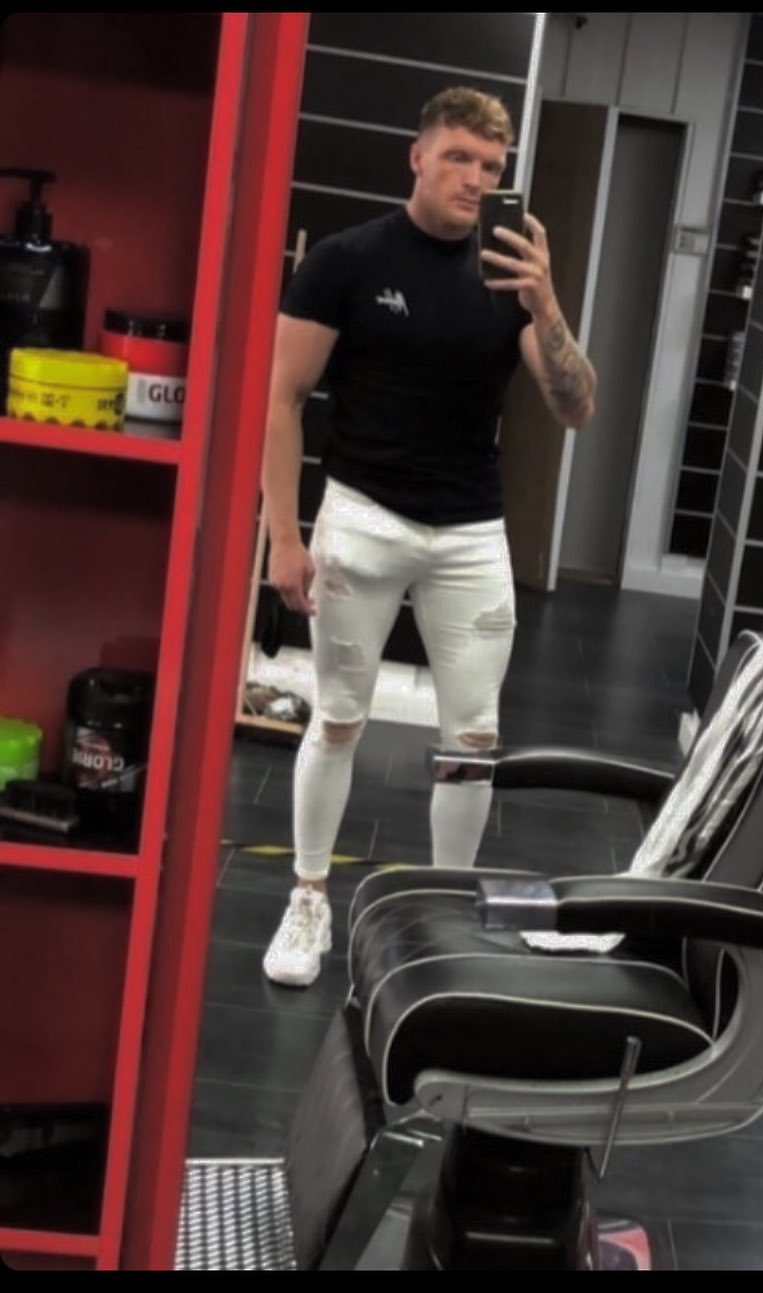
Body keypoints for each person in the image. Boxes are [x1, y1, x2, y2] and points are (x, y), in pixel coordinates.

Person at [261, 86, 597, 987]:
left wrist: (545, 301)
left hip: (471, 532)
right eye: (458, 157)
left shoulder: (510, 278)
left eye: (491, 166)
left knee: (473, 741)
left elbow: (576, 406)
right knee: (338, 717)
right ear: (418, 155)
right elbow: (282, 399)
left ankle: (446, 916)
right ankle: (307, 897)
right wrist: (284, 535)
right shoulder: (344, 261)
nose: (474, 178)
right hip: (363, 516)